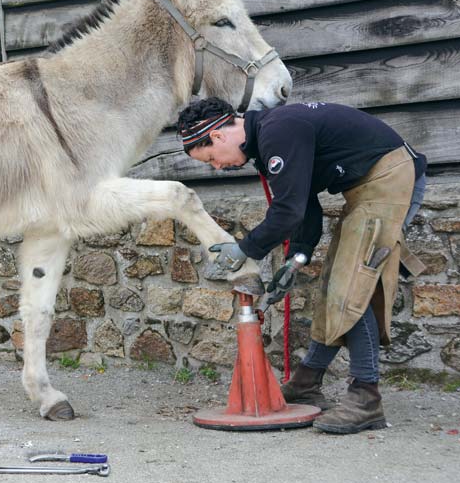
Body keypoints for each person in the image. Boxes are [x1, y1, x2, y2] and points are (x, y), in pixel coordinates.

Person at [177, 97, 427, 434]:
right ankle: (307, 383)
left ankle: (366, 397)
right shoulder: (268, 140)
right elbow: (304, 206)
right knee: (334, 285)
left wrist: (244, 249)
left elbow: (287, 212)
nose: (217, 167)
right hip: (367, 188)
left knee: (352, 288)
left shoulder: (277, 131)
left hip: (390, 179)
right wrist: (298, 258)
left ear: (218, 137)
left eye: (210, 159)